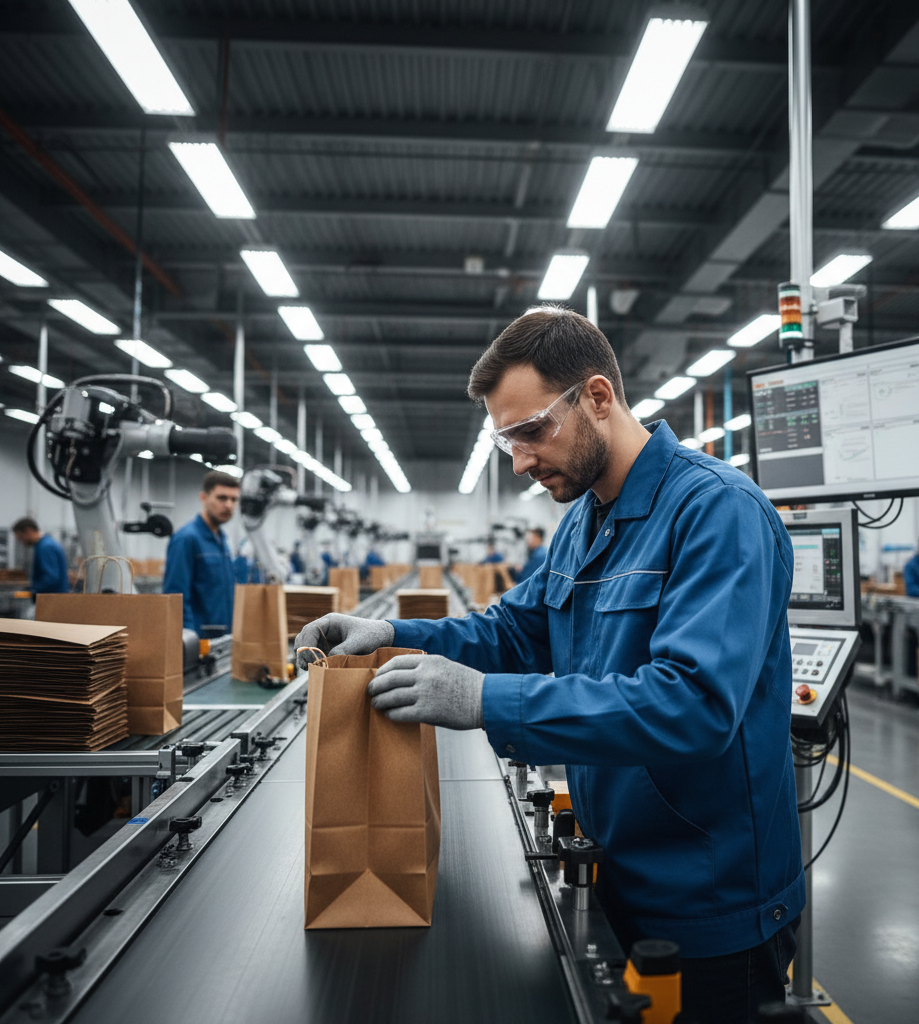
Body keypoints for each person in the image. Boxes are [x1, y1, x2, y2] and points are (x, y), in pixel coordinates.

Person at [297, 307, 801, 1022]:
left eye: (532, 432)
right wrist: (388, 633)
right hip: (612, 870)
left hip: (707, 899)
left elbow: (693, 705)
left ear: (598, 398)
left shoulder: (716, 510)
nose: (521, 463)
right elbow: (513, 630)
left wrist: (487, 704)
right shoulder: (585, 521)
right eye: (507, 441)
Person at [163, 470, 240, 636]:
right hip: (199, 643)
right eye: (222, 498)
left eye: (234, 499)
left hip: (223, 639)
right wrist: (188, 642)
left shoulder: (221, 539)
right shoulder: (186, 539)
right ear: (204, 498)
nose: (229, 505)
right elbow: (175, 599)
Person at [12, 517, 70, 597]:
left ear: (28, 530)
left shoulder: (45, 547)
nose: (21, 541)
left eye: (21, 537)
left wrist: (34, 590)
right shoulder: (44, 544)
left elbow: (51, 578)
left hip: (52, 600)